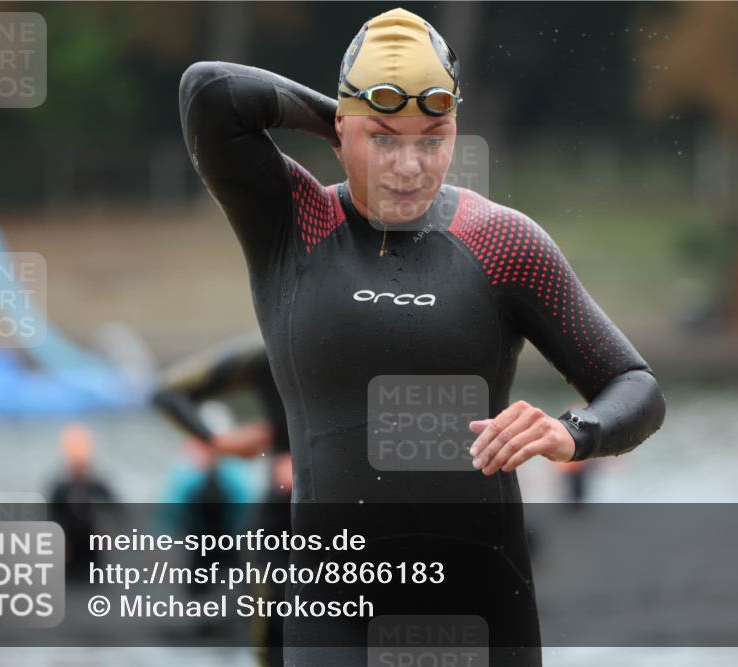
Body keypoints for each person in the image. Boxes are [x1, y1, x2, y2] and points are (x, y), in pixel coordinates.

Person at [178, 7, 665, 665]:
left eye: (433, 138)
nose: (409, 165)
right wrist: (347, 118)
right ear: (340, 131)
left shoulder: (503, 243)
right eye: (384, 139)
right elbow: (209, 93)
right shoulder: (293, 225)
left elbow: (635, 387)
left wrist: (572, 430)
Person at [152, 333, 291, 666]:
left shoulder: (368, 339)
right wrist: (220, 443)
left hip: (350, 519)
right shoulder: (264, 354)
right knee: (273, 629)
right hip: (280, 523)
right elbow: (165, 393)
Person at [47, 423, 117, 582]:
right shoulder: (61, 489)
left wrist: (110, 534)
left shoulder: (97, 486)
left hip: (92, 548)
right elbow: (52, 517)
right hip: (70, 549)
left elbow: (116, 511)